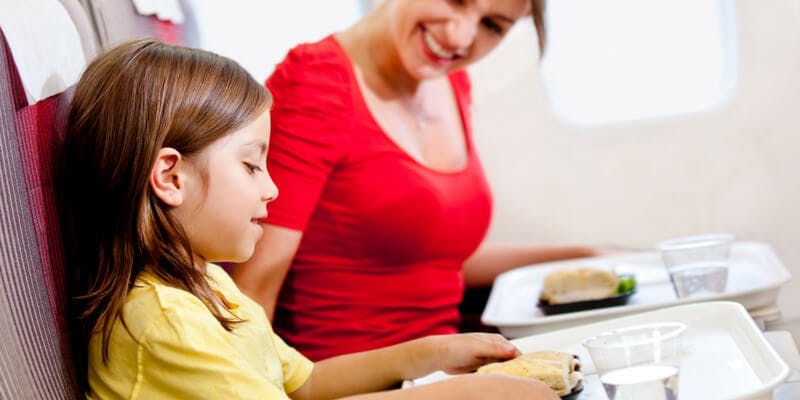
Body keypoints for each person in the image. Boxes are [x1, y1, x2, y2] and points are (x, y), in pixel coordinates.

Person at [54, 39, 559, 399]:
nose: (271, 188)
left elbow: (306, 383)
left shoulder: (204, 283)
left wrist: (428, 354)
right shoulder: (161, 321)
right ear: (170, 176)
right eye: (251, 164)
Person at [233, 0, 598, 361]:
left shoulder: (449, 79)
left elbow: (425, 259)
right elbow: (252, 291)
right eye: (456, 0)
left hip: (446, 367)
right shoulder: (314, 83)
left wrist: (579, 256)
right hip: (352, 376)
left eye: (492, 26)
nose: (461, 36)